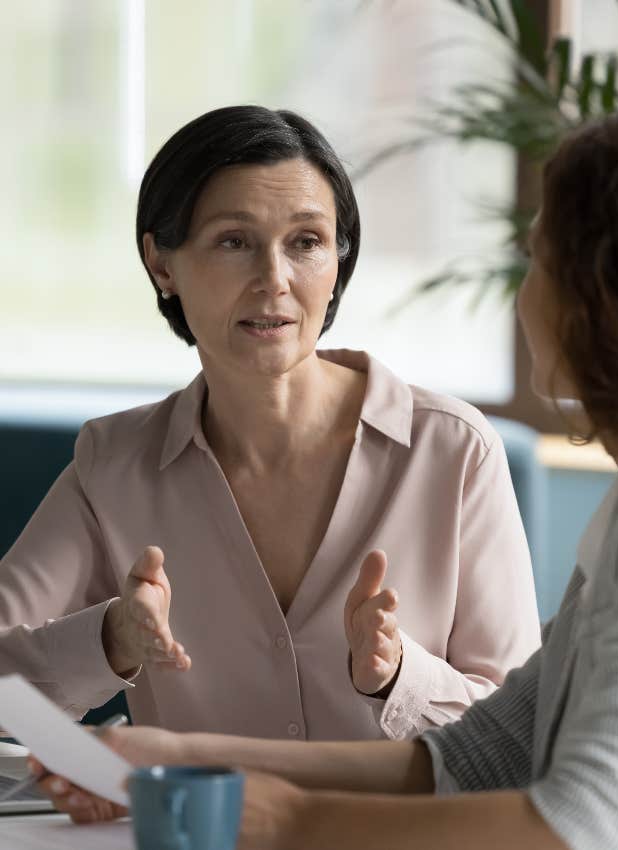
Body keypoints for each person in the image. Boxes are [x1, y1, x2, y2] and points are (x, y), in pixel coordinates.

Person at [42, 99, 618, 849]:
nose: (525, 297)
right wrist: (183, 755)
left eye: (540, 263)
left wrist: (287, 816)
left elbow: (587, 824)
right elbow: (485, 753)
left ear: (614, 297)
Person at [0, 105, 540, 742]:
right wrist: (112, 640)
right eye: (235, 241)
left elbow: (521, 737)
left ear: (338, 262)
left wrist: (399, 677)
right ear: (162, 263)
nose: (275, 280)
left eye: (306, 243)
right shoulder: (114, 464)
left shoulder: (454, 452)